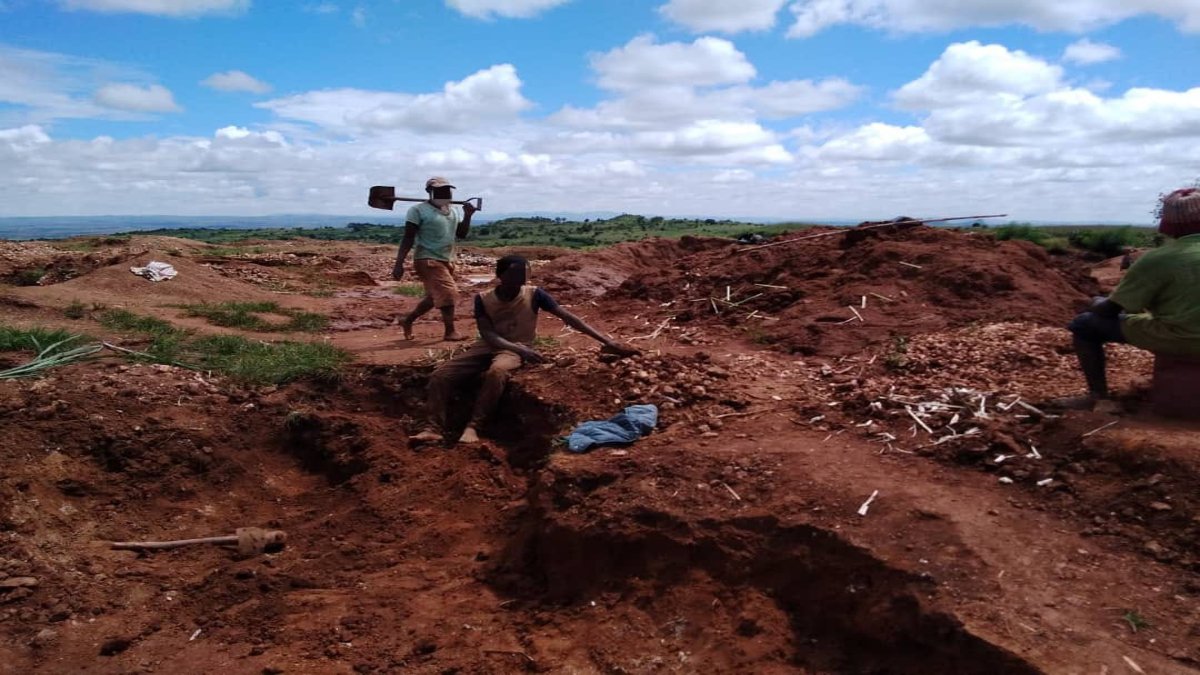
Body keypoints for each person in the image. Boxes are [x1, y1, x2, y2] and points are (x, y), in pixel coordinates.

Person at [412, 254, 639, 444]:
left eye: (524, 272)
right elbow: (488, 334)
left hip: (514, 348)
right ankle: (432, 428)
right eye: (515, 273)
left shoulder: (534, 294)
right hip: (489, 346)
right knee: (441, 375)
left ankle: (473, 426)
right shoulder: (483, 298)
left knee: (497, 372)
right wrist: (522, 351)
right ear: (500, 276)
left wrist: (605, 341)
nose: (521, 277)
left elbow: (568, 318)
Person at [1063, 187, 1200, 411]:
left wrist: (1096, 302)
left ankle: (1099, 397)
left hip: (1183, 339)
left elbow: (1111, 310)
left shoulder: (1157, 259)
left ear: (1167, 224)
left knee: (1084, 325)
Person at [392, 176, 476, 342]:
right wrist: (398, 264)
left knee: (434, 297)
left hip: (447, 259)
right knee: (448, 293)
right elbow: (408, 238)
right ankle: (450, 332)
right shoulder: (418, 211)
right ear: (430, 192)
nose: (445, 193)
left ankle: (407, 320)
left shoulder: (454, 210)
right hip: (427, 259)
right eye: (440, 190)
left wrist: (467, 216)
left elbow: (461, 234)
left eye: (447, 190)